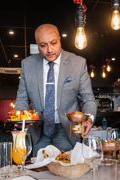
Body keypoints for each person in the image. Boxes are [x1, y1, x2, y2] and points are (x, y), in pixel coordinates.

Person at [15, 23, 97, 155]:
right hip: (38, 133)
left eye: (53, 43)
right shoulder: (27, 64)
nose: (49, 49)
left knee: (66, 170)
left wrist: (89, 118)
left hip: (67, 131)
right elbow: (21, 99)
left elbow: (88, 99)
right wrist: (20, 118)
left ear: (60, 39)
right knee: (38, 171)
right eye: (43, 45)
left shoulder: (78, 63)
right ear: (37, 45)